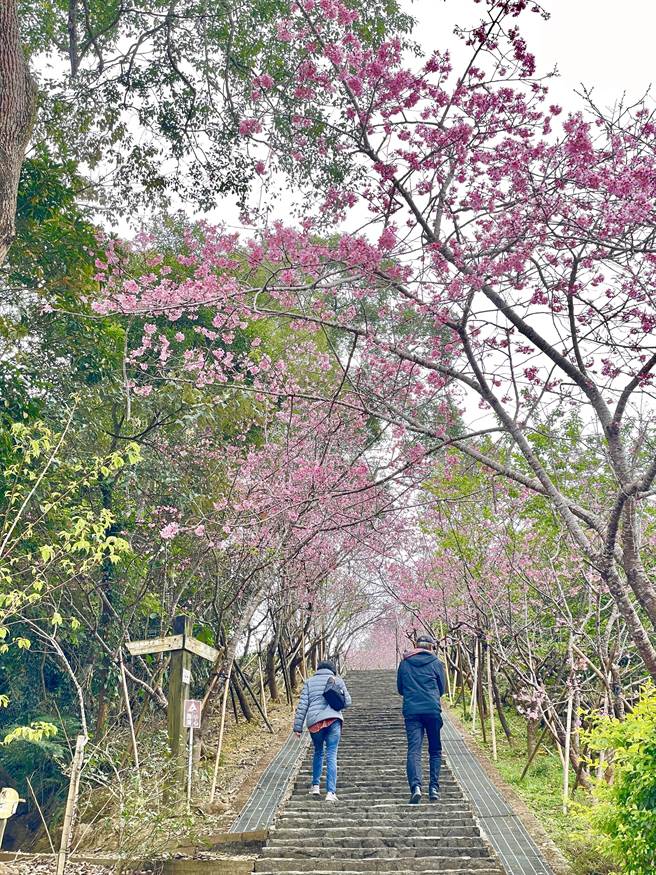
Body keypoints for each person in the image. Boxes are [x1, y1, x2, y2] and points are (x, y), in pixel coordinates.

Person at [397, 633, 446, 805]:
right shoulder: (436, 663)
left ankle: (416, 787)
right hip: (432, 709)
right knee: (435, 750)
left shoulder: (404, 663)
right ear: (431, 647)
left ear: (416, 646)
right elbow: (442, 689)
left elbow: (400, 689)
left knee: (414, 750)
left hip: (412, 711)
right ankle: (433, 789)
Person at [293, 659, 352, 803]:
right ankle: (331, 793)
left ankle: (315, 786)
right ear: (332, 669)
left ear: (318, 669)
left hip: (315, 722)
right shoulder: (337, 680)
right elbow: (348, 702)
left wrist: (298, 727)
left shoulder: (309, 682)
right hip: (333, 720)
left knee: (318, 751)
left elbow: (302, 706)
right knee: (331, 754)